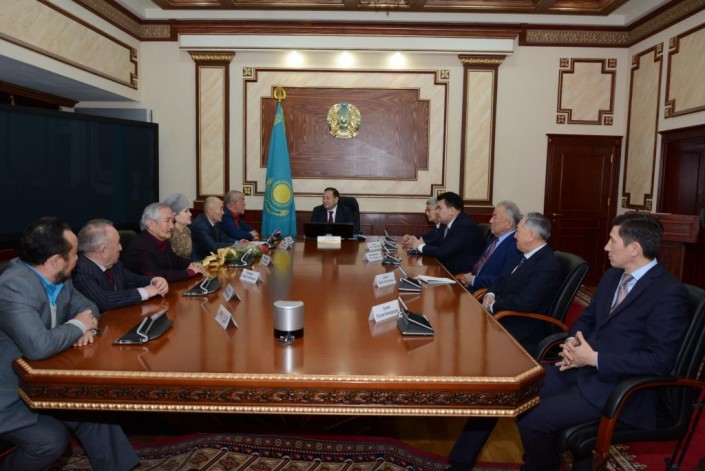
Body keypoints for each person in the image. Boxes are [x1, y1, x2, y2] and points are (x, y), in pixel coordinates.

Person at [518, 212, 690, 470]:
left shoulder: (668, 293)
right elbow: (587, 320)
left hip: (618, 387)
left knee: (534, 422)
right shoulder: (612, 276)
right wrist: (572, 343)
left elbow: (660, 360)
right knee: (519, 397)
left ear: (634, 248)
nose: (606, 247)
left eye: (612, 241)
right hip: (579, 368)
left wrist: (595, 359)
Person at [0, 217, 139, 471]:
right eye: (75, 254)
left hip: (45, 379)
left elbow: (89, 307)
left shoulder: (60, 277)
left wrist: (87, 326)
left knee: (93, 409)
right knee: (51, 440)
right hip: (10, 394)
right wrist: (77, 326)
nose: (79, 259)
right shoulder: (13, 286)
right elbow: (39, 346)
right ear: (56, 260)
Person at [482, 212, 562, 354]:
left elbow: (524, 302)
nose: (514, 236)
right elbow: (501, 279)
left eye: (518, 231)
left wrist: (494, 306)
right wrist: (491, 293)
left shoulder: (547, 265)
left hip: (521, 326)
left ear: (531, 235)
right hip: (504, 314)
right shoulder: (524, 255)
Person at [73, 218, 169, 312]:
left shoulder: (113, 262)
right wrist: (144, 292)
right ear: (103, 251)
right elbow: (104, 301)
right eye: (118, 243)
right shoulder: (80, 270)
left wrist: (154, 281)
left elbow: (130, 279)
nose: (121, 248)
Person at [123, 202, 207, 282]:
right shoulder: (140, 246)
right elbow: (156, 275)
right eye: (167, 221)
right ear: (151, 224)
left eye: (172, 221)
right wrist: (189, 272)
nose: (172, 226)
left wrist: (191, 265)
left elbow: (175, 260)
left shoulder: (162, 240)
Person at [405, 191, 485, 275]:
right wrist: (417, 241)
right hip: (448, 269)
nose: (437, 212)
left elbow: (442, 252)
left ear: (452, 210)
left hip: (460, 276)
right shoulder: (450, 224)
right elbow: (437, 242)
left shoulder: (464, 225)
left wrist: (419, 246)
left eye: (439, 208)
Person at [456, 201, 522, 292]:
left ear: (508, 223)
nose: (490, 221)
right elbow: (481, 266)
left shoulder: (515, 245)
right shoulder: (494, 239)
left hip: (483, 293)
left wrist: (474, 281)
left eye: (494, 217)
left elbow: (504, 279)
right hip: (469, 286)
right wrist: (469, 276)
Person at [190, 196, 236, 261]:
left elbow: (223, 238)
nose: (223, 212)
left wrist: (237, 242)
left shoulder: (215, 222)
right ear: (210, 211)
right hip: (200, 262)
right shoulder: (200, 226)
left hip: (212, 259)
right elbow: (214, 247)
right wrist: (236, 246)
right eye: (221, 209)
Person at [162, 193, 193, 260]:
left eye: (189, 210)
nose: (190, 214)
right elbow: (171, 260)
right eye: (186, 211)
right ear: (174, 216)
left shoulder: (187, 230)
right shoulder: (170, 234)